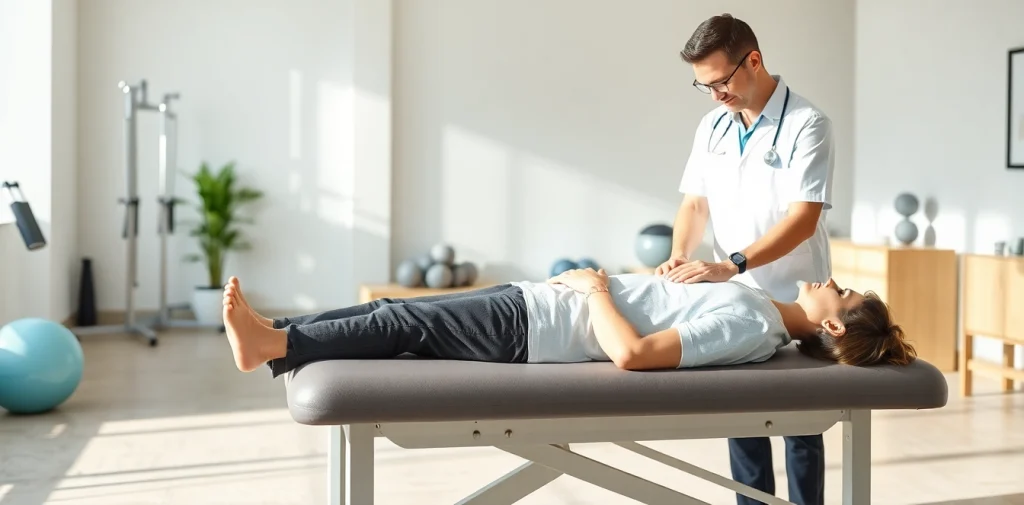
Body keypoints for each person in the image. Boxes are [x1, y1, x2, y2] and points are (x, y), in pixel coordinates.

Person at [657, 13, 837, 505]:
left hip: (796, 294)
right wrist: (678, 255)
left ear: (753, 60)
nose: (715, 94)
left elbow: (802, 220)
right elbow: (695, 205)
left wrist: (731, 263)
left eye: (721, 81)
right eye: (705, 86)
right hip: (735, 295)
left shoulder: (807, 124)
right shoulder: (712, 124)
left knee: (801, 428)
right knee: (743, 421)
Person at [220, 270, 915, 380]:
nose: (830, 280)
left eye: (842, 292)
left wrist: (597, 288)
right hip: (540, 306)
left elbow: (635, 353)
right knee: (391, 313)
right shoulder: (755, 309)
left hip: (539, 326)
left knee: (401, 319)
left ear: (831, 328)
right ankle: (275, 331)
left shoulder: (751, 323)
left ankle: (275, 344)